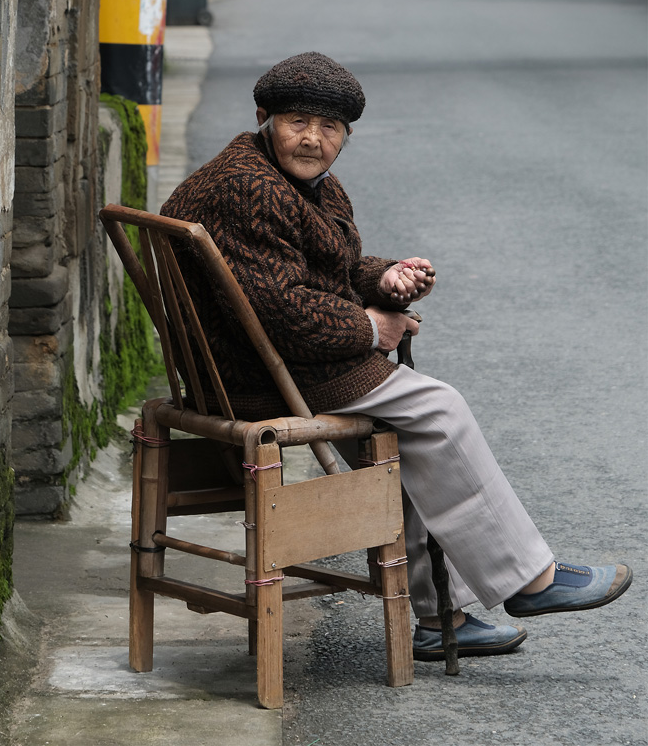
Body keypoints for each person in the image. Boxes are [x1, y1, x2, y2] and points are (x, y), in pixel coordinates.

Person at [161, 52, 632, 663]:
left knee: (407, 432)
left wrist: (386, 278)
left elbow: (320, 268)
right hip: (250, 374)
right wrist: (370, 325)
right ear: (263, 117)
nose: (312, 138)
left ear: (346, 136)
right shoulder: (247, 187)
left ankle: (443, 619)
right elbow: (281, 310)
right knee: (437, 408)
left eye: (330, 128)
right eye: (297, 121)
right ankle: (528, 580)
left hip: (273, 361)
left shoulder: (301, 183)